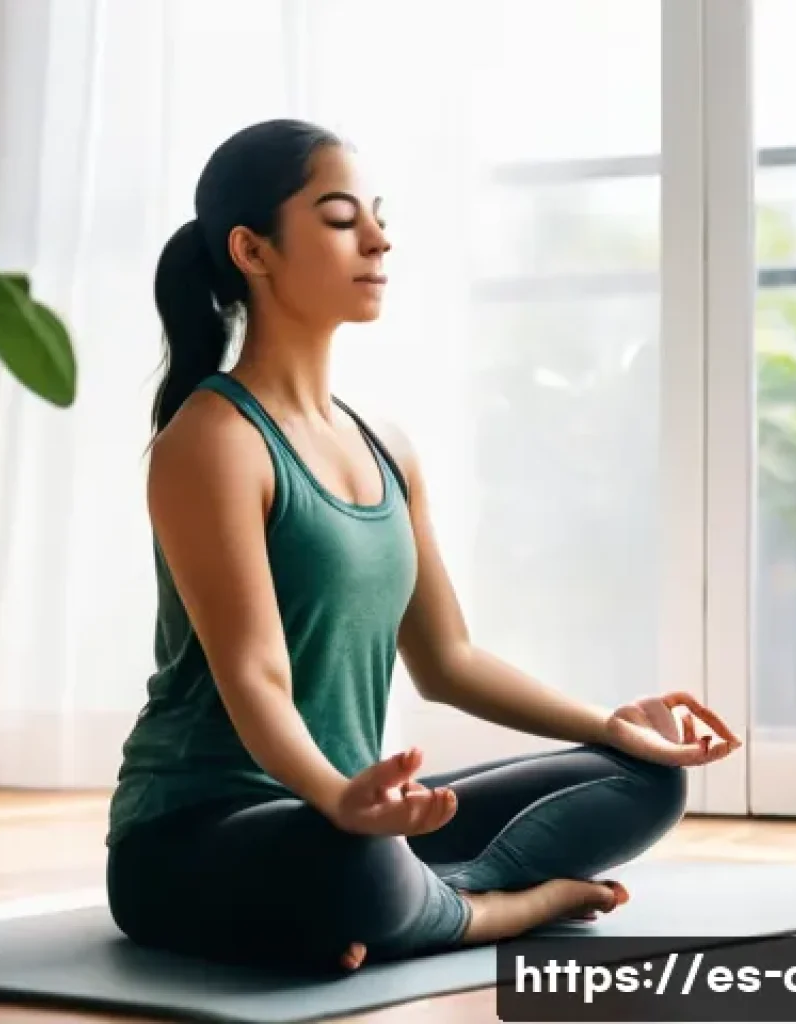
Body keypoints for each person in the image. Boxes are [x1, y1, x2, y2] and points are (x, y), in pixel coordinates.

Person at [104, 118, 743, 977]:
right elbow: (256, 676)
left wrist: (611, 722)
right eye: (340, 219)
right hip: (192, 837)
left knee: (642, 778)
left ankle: (408, 904)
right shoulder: (214, 441)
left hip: (354, 819)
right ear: (252, 252)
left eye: (377, 214)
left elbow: (447, 660)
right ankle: (502, 907)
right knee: (351, 860)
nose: (379, 238)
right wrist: (338, 798)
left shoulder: (386, 446)